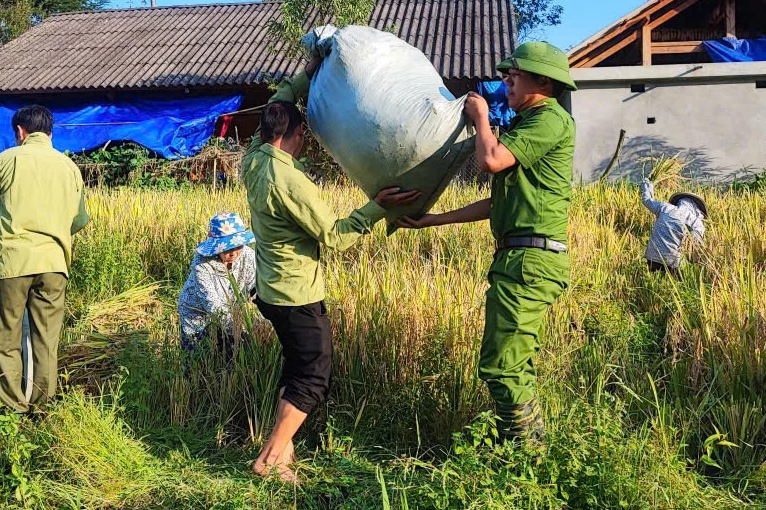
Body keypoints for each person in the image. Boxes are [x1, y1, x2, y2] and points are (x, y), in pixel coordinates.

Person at [243, 56, 419, 481]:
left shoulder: (252, 158)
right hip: (296, 294)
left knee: (296, 367)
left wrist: (309, 69)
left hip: (270, 290)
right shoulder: (291, 182)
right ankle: (268, 459)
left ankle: (282, 455)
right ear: (297, 133)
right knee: (314, 376)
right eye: (304, 135)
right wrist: (379, 207)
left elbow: (281, 100)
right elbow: (336, 236)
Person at [397, 42, 576, 444]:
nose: (506, 82)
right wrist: (434, 220)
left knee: (503, 369)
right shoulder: (529, 124)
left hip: (530, 259)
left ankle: (526, 456)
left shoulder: (548, 120)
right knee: (514, 365)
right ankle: (525, 449)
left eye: (515, 75)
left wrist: (481, 120)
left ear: (543, 81)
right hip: (520, 256)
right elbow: (498, 201)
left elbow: (490, 161)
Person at [0, 105, 90, 414]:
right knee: (46, 341)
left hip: (13, 264)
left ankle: (12, 411)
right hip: (55, 266)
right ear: (50, 132)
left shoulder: (8, 160)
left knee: (5, 339)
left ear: (20, 132)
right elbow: (80, 219)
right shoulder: (68, 167)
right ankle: (42, 410)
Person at [177, 212, 257, 355]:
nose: (233, 253)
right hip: (197, 312)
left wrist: (259, 324)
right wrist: (238, 330)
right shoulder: (202, 263)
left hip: (231, 309)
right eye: (226, 248)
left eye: (237, 246)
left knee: (229, 352)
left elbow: (255, 289)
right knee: (196, 352)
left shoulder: (248, 256)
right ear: (216, 247)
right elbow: (213, 304)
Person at [640, 180, 706, 275]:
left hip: (652, 256)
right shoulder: (695, 221)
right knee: (676, 284)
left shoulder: (664, 207)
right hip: (672, 260)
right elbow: (696, 242)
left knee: (654, 280)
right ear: (695, 208)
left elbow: (646, 200)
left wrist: (648, 186)